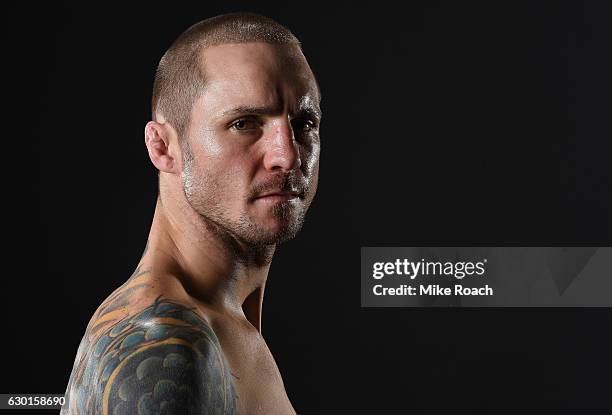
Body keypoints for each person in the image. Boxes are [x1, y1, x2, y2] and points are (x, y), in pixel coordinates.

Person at [61, 12, 321, 415]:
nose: (286, 155)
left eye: (303, 123)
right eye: (243, 123)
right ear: (163, 147)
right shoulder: (166, 346)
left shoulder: (221, 326)